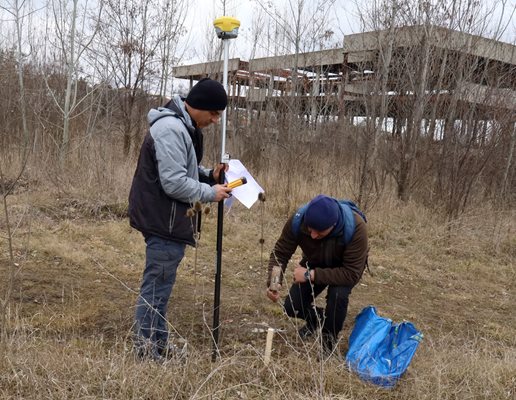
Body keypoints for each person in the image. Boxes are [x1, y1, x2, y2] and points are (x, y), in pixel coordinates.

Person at [128, 78, 233, 361]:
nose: (215, 120)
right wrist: (211, 192)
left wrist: (207, 174)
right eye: (213, 113)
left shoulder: (181, 125)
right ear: (198, 106)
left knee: (161, 289)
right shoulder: (171, 128)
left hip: (169, 220)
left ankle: (158, 345)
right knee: (155, 290)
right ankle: (147, 352)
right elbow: (174, 182)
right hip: (164, 221)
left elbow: (183, 166)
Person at [266, 194, 368, 356]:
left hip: (344, 269)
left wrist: (309, 275)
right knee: (292, 307)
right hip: (316, 261)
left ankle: (328, 344)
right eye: (310, 229)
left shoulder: (356, 228)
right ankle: (317, 319)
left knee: (338, 296)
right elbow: (280, 253)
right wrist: (274, 282)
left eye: (319, 232)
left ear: (334, 225)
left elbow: (351, 273)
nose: (313, 235)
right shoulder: (298, 221)